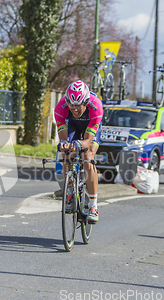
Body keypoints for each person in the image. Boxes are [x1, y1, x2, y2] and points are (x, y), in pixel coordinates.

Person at [55, 80, 103, 223]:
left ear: (86, 102)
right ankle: (69, 193)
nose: (74, 109)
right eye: (71, 105)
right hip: (72, 124)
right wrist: (64, 145)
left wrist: (79, 143)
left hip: (91, 123)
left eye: (78, 105)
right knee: (68, 154)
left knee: (87, 156)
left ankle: (94, 206)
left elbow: (87, 141)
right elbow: (64, 139)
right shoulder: (60, 108)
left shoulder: (96, 106)